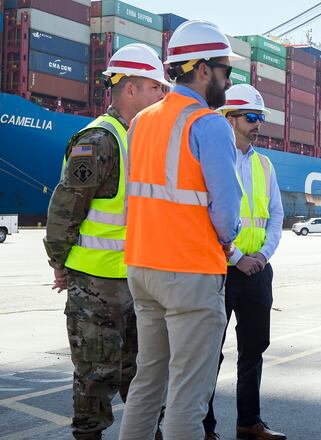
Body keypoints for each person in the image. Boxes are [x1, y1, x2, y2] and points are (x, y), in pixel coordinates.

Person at [118, 20, 243, 440]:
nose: (229, 80)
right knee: (188, 399)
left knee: (146, 386)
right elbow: (226, 214)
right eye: (227, 71)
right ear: (204, 70)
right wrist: (227, 240)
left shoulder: (141, 122)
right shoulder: (208, 124)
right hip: (190, 271)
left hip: (141, 267)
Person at [43, 44, 168, 440]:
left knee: (142, 376)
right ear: (129, 88)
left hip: (136, 283)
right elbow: (65, 209)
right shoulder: (99, 140)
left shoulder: (138, 138)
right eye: (154, 87)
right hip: (96, 287)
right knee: (95, 378)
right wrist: (62, 265)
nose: (162, 96)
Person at [202, 84, 286, 440]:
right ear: (228, 118)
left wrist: (262, 256)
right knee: (208, 354)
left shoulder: (264, 164)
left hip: (257, 273)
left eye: (261, 118)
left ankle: (249, 423)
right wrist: (236, 257)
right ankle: (203, 428)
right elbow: (205, 215)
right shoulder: (210, 157)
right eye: (251, 117)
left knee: (254, 350)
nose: (257, 125)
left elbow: (277, 217)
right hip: (219, 270)